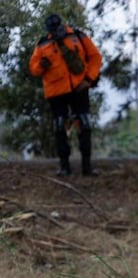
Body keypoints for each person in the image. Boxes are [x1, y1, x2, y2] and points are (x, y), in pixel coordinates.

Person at [29, 14, 103, 177]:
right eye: (52, 30)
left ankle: (87, 167)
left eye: (57, 28)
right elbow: (33, 68)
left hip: (79, 87)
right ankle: (64, 167)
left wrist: (88, 79)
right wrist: (41, 65)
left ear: (62, 25)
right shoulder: (43, 44)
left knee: (83, 123)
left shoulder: (77, 35)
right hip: (56, 91)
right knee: (60, 126)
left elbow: (95, 57)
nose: (55, 32)